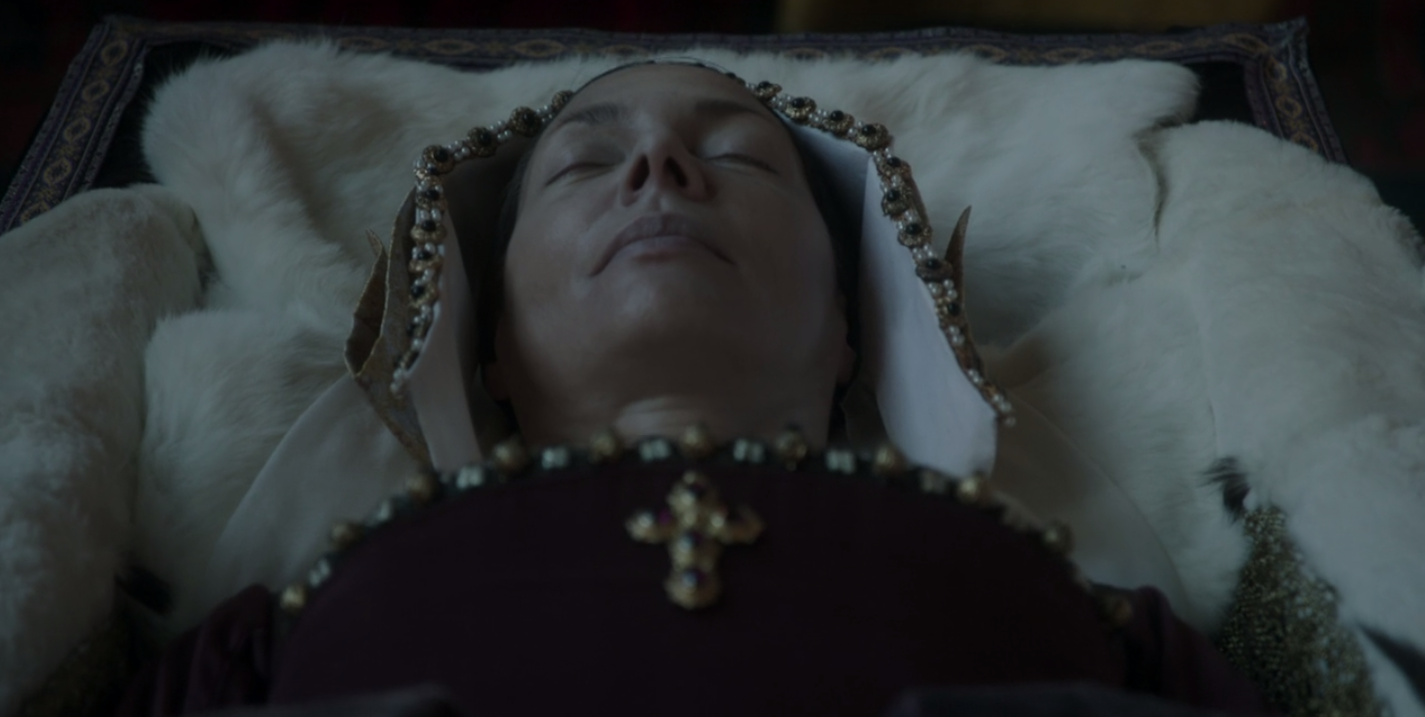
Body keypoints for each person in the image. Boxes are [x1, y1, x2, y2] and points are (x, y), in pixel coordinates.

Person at [117, 62, 1276, 716]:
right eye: (585, 161)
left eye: (737, 155)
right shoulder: (280, 629)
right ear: (490, 348)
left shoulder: (1082, 606)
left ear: (850, 329)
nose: (657, 165)